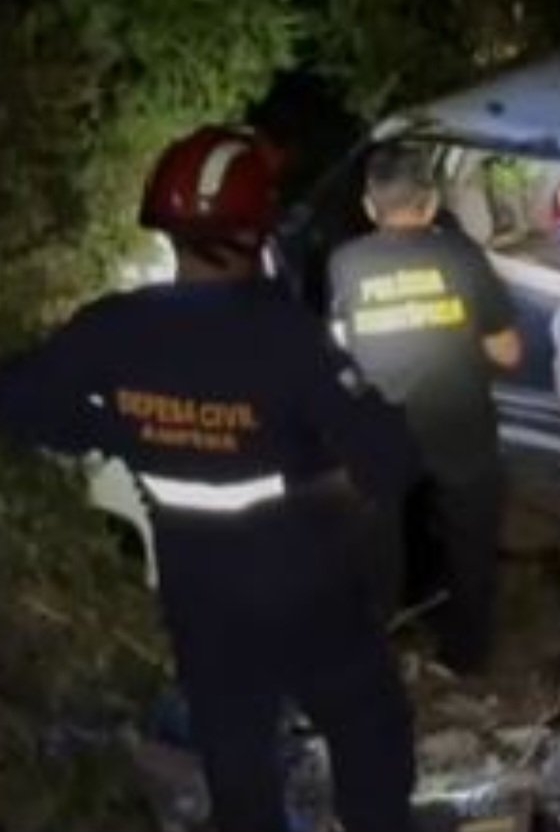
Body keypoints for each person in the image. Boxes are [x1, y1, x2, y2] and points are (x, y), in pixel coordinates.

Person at [0, 126, 420, 832]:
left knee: (238, 765)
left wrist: (119, 434)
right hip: (309, 591)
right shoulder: (287, 337)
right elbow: (391, 460)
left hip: (201, 595)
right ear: (257, 229)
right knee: (370, 734)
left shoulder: (111, 330)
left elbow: (21, 403)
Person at [327, 142, 522, 675]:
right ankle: (466, 657)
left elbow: (343, 348)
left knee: (376, 544)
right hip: (458, 421)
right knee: (470, 541)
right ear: (432, 202)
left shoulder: (345, 263)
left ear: (371, 206)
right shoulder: (461, 256)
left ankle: (375, 656)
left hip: (380, 427)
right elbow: (508, 350)